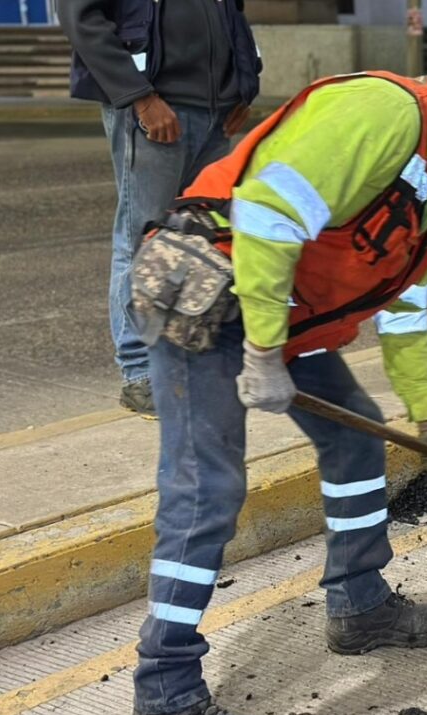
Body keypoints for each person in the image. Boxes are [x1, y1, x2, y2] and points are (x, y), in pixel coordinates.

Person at [127, 43, 427, 715]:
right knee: (206, 490)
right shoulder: (383, 111)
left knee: (356, 444)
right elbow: (268, 215)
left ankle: (360, 606)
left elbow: (405, 312)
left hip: (281, 311)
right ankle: (164, 698)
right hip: (207, 292)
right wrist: (262, 353)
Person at [58, 0, 261, 416]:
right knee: (141, 238)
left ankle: (186, 359)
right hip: (155, 106)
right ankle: (139, 372)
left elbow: (232, 12)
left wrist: (244, 83)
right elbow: (81, 17)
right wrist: (140, 97)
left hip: (216, 109)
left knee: (201, 240)